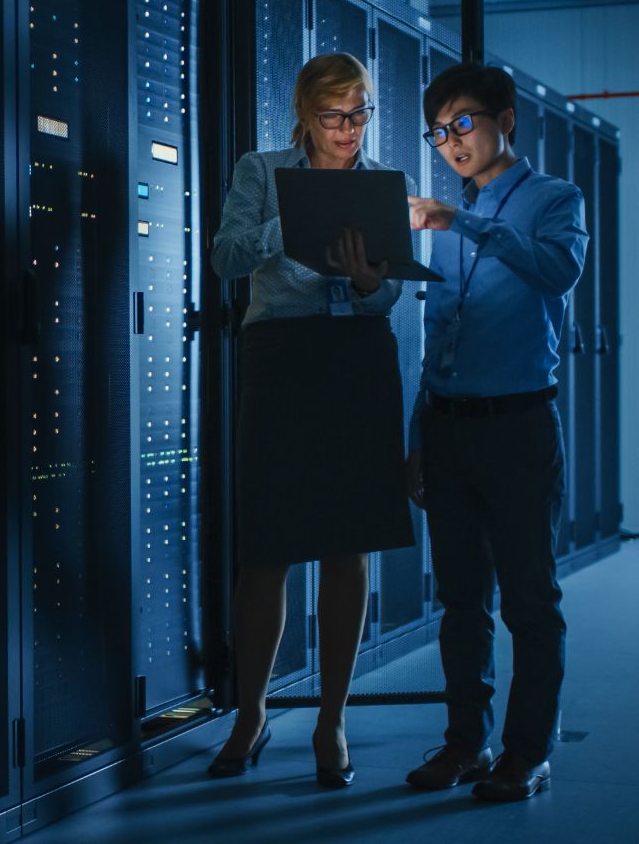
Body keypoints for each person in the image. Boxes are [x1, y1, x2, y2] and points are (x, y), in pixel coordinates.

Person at [207, 52, 414, 788]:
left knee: (348, 544)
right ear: (304, 115)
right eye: (334, 117)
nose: (349, 130)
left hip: (356, 356)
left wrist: (366, 283)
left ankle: (333, 720)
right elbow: (226, 256)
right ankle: (252, 712)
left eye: (359, 114)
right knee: (267, 546)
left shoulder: (389, 184)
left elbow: (388, 297)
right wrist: (287, 224)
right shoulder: (261, 170)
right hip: (281, 357)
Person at [404, 62, 588, 801]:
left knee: (529, 603)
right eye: (440, 130)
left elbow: (558, 271)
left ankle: (527, 752)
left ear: (505, 120)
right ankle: (463, 745)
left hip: (518, 426)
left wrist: (464, 221)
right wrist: (418, 433)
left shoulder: (555, 198)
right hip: (448, 430)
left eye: (464, 123)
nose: (451, 142)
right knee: (461, 601)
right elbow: (439, 334)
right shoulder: (443, 224)